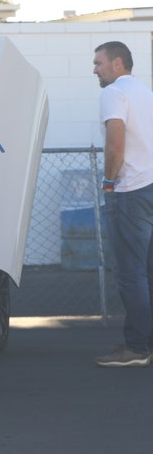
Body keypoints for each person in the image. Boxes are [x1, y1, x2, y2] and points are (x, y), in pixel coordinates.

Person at [93, 41, 153, 367]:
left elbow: (116, 142)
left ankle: (137, 349)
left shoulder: (114, 93)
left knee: (131, 275)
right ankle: (145, 343)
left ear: (117, 64)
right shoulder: (146, 93)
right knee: (148, 273)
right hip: (152, 186)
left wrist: (109, 182)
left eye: (99, 63)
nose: (95, 69)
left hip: (131, 191)